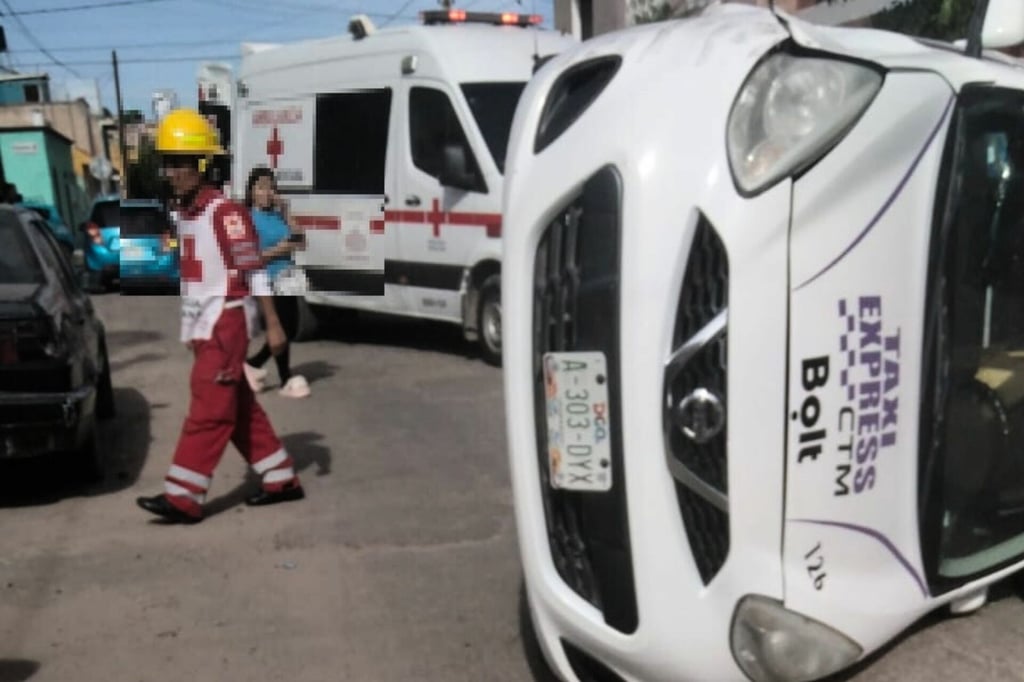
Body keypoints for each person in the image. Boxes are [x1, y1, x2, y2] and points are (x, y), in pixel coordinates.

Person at [136, 109, 305, 524]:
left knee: (210, 408)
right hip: (204, 325)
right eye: (168, 163)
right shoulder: (186, 213)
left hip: (225, 323)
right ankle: (281, 478)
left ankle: (183, 497)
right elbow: (194, 272)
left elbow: (253, 270)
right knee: (239, 407)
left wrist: (274, 325)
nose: (172, 172)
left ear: (203, 165)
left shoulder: (225, 213)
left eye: (180, 163)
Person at [242, 166, 311, 398]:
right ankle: (284, 378)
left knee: (289, 327)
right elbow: (252, 257)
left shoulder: (277, 215)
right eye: (261, 187)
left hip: (288, 277)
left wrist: (286, 211)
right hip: (268, 278)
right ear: (251, 191)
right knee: (283, 327)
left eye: (271, 187)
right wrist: (282, 248)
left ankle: (253, 364)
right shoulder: (249, 219)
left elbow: (301, 240)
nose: (267, 192)